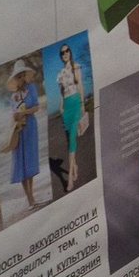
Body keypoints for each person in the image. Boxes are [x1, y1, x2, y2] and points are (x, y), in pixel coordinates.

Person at [5, 67, 41, 212]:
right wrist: (15, 116)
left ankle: (32, 196)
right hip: (19, 129)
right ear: (15, 78)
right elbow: (12, 113)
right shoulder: (13, 96)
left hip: (30, 126)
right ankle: (29, 198)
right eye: (18, 76)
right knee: (21, 162)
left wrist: (25, 112)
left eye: (23, 75)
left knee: (30, 161)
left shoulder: (31, 88)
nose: (21, 78)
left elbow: (37, 106)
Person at [56, 43, 86, 191]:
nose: (65, 54)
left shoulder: (76, 67)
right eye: (63, 52)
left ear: (70, 52)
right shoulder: (60, 74)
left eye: (67, 51)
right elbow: (61, 93)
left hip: (75, 103)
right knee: (69, 140)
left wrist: (82, 104)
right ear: (61, 56)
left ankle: (69, 179)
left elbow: (80, 85)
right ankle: (75, 166)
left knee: (73, 138)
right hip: (66, 108)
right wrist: (61, 108)